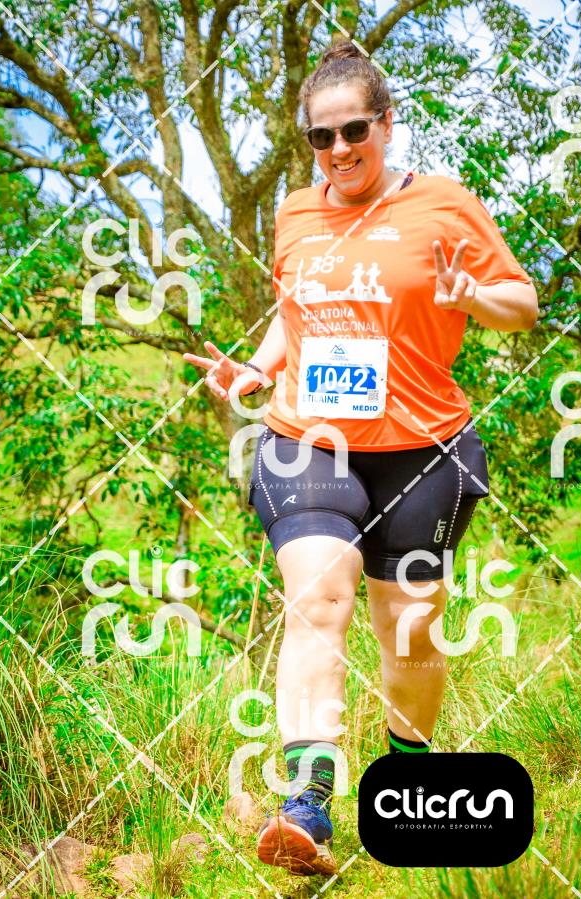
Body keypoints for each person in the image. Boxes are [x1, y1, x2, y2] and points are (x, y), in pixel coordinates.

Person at [184, 41, 538, 877]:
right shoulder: (296, 213)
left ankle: (406, 777)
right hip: (310, 442)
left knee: (407, 630)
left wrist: (472, 295)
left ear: (385, 123)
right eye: (321, 136)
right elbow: (295, 311)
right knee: (317, 599)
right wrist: (257, 369)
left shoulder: (444, 204)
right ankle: (306, 803)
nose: (339, 150)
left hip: (426, 450)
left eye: (353, 131)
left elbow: (522, 304)